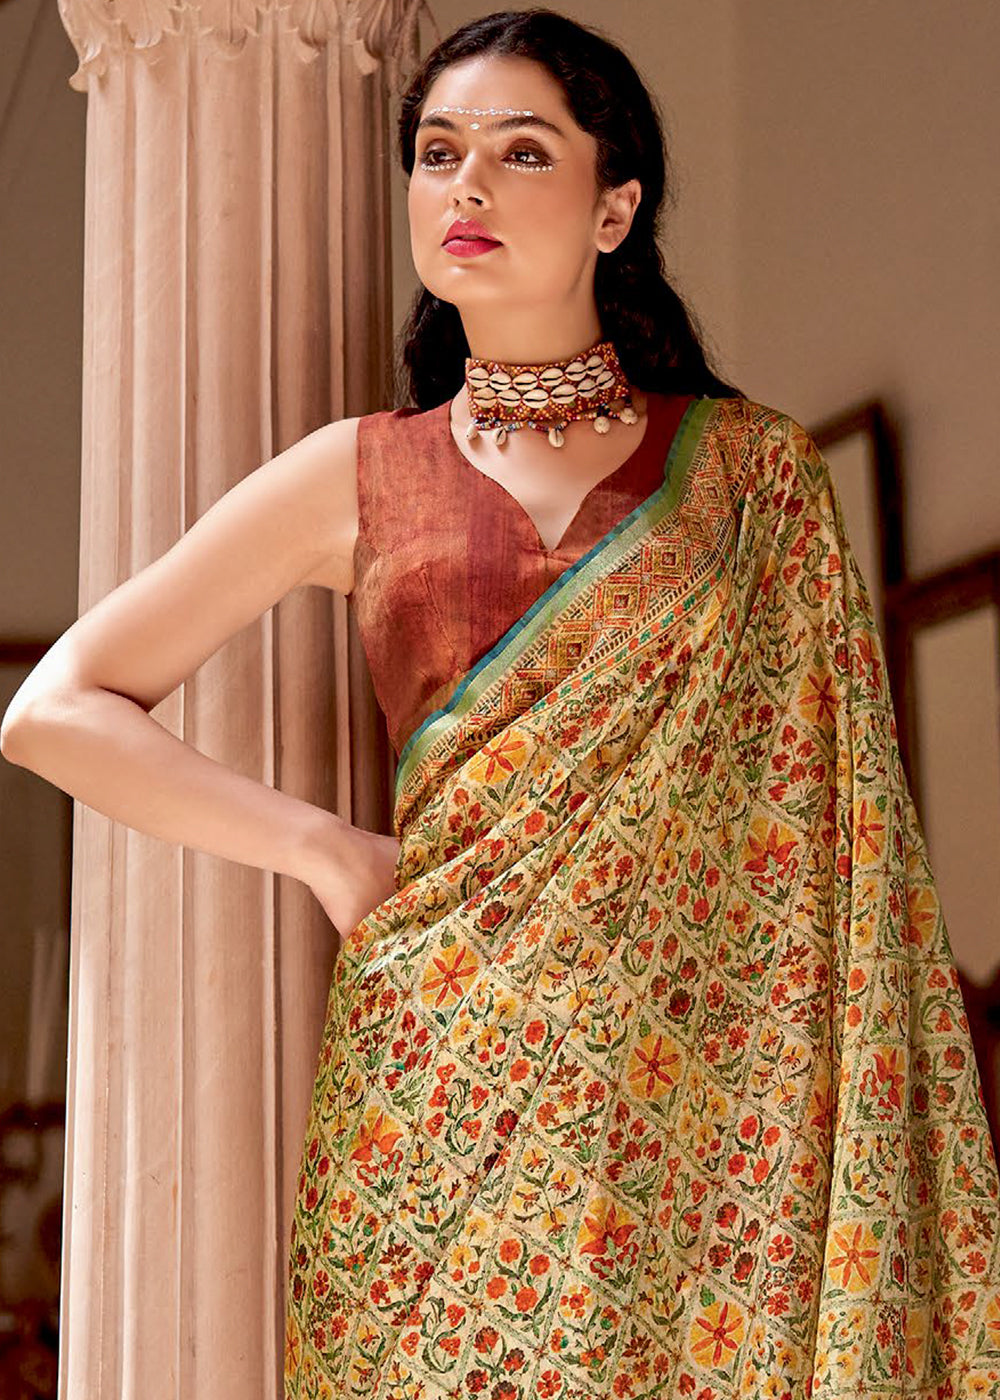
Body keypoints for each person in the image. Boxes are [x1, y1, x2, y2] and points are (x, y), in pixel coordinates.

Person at [4, 8, 999, 1398]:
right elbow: (53, 708)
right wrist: (322, 848)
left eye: (521, 152)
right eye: (437, 152)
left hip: (712, 1113)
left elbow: (846, 859)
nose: (464, 184)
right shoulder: (358, 473)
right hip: (437, 1096)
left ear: (616, 208)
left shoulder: (756, 481)